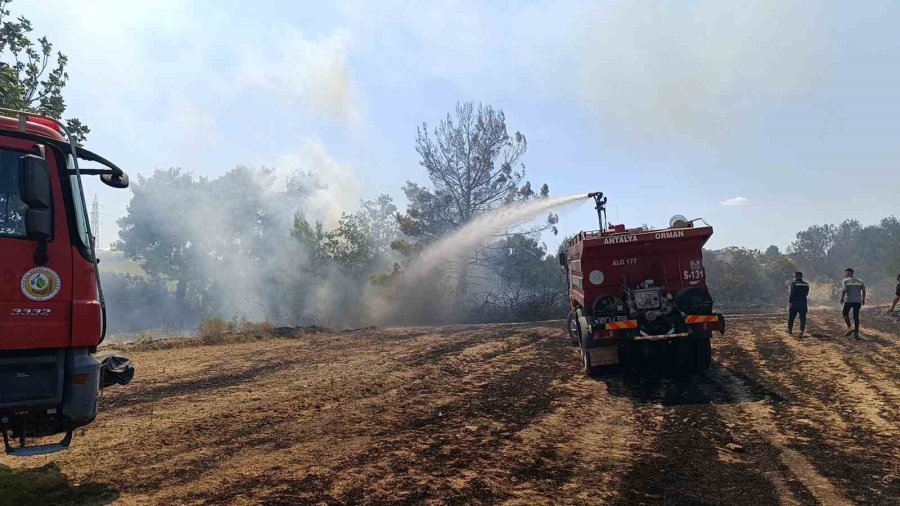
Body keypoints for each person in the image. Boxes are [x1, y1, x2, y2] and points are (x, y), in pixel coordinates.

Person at [840, 268, 866, 339]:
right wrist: (863, 299)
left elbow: (844, 290)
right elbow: (864, 290)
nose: (845, 275)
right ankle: (856, 334)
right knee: (856, 317)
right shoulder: (859, 281)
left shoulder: (845, 280)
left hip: (848, 301)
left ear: (851, 273)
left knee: (845, 314)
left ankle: (850, 327)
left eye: (847, 273)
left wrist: (842, 298)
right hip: (857, 301)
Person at [788, 271, 809, 338]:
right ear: (801, 276)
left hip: (794, 303)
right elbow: (806, 293)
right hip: (803, 303)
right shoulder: (806, 284)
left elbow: (792, 294)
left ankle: (790, 330)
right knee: (802, 318)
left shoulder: (794, 284)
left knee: (791, 317)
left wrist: (790, 302)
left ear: (796, 276)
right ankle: (801, 331)